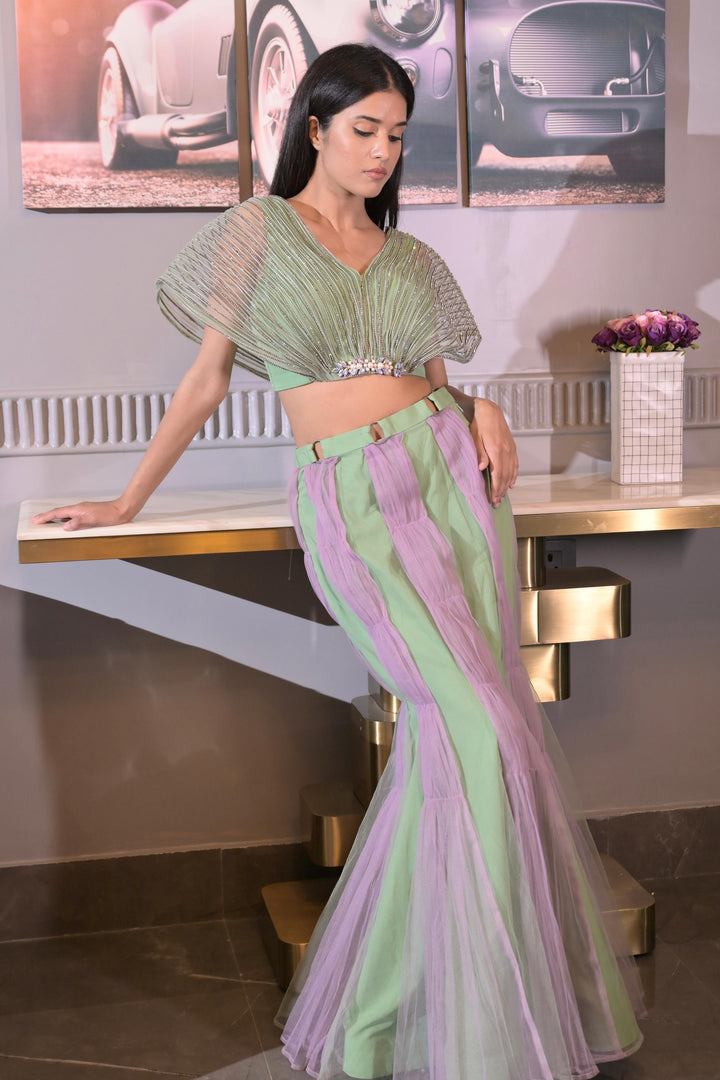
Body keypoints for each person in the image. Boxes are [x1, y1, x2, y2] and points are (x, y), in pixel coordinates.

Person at [34, 43, 644, 1080]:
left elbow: (436, 384)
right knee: (478, 729)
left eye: (397, 134)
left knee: (477, 736)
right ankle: (425, 1013)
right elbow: (206, 380)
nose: (382, 151)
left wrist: (485, 407)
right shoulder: (258, 231)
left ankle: (429, 1015)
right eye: (364, 129)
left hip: (452, 487)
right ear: (313, 127)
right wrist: (127, 500)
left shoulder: (408, 257)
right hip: (353, 499)